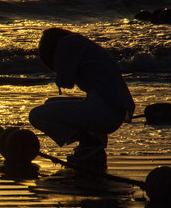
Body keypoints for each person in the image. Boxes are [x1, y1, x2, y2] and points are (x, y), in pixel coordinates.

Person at [29, 27, 135, 172]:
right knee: (50, 104)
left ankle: (88, 142)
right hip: (111, 108)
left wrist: (60, 64)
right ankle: (92, 141)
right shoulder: (81, 43)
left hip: (105, 112)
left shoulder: (68, 45)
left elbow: (64, 81)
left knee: (36, 115)